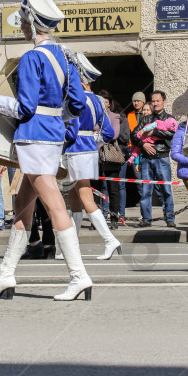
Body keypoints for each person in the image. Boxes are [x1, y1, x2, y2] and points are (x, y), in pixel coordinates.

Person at [0, 0, 92, 301]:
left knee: (54, 206)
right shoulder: (65, 58)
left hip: (34, 137)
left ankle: (79, 276)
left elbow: (24, 108)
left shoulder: (30, 58)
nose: (21, 26)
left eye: (22, 20)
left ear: (30, 22)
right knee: (22, 209)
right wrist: (56, 118)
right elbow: (77, 104)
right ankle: (5, 275)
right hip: (51, 136)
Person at [63, 56, 121, 258]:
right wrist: (91, 137)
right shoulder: (98, 100)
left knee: (85, 196)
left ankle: (109, 240)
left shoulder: (75, 99)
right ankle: (72, 246)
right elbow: (107, 133)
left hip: (75, 149)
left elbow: (71, 129)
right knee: (74, 196)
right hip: (88, 149)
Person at [131, 90, 177, 228]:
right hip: (146, 158)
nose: (156, 104)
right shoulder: (146, 119)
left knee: (166, 190)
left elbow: (172, 134)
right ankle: (146, 219)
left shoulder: (169, 118)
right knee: (146, 190)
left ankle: (169, 218)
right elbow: (133, 135)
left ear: (164, 102)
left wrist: (154, 132)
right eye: (154, 101)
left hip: (162, 158)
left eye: (158, 101)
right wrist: (143, 144)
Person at [97, 89, 124, 230]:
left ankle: (114, 218)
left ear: (109, 103)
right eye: (101, 101)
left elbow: (114, 134)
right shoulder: (93, 115)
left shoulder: (114, 116)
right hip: (95, 156)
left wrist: (98, 132)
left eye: (105, 101)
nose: (103, 104)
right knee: (95, 189)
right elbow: (89, 129)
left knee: (113, 189)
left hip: (110, 155)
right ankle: (96, 220)